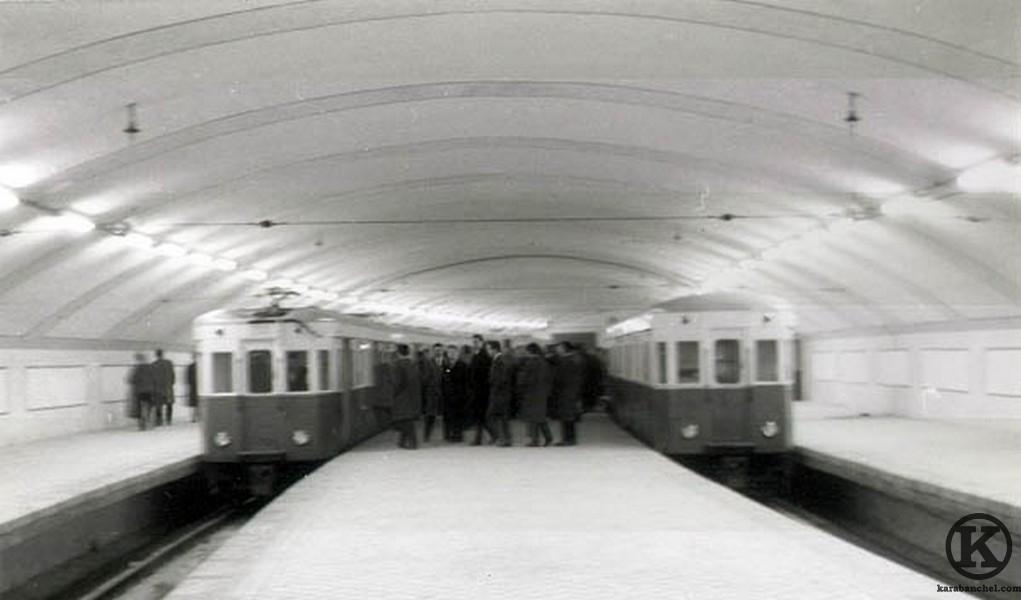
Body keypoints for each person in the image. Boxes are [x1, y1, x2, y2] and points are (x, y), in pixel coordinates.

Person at [516, 342, 553, 446]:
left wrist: (520, 385)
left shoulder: (530, 363)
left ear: (529, 351)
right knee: (539, 416)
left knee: (532, 418)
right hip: (542, 392)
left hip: (531, 392)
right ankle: (548, 436)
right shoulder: (544, 362)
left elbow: (525, 379)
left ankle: (535, 440)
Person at [550, 341, 584, 445]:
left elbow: (561, 378)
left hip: (566, 392)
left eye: (559, 348)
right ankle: (570, 439)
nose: (557, 350)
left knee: (566, 416)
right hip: (570, 392)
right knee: (568, 417)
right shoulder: (574, 359)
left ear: (564, 349)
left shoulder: (567, 361)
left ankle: (567, 439)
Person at [467, 334, 496, 445]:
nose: (474, 344)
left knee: (481, 415)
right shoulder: (476, 355)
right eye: (473, 342)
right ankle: (486, 436)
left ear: (481, 342)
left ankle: (486, 437)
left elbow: (485, 373)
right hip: (476, 390)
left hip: (482, 390)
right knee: (479, 415)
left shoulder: (484, 356)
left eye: (476, 342)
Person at [392, 344, 422, 449]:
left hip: (402, 396)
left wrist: (394, 394)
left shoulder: (398, 365)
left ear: (398, 353)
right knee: (406, 419)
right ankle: (402, 442)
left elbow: (397, 383)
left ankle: (413, 443)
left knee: (406, 420)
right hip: (413, 395)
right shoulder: (413, 364)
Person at [487, 340, 514, 447]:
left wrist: (494, 385)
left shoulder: (500, 361)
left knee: (491, 417)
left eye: (488, 349)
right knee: (502, 418)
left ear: (494, 349)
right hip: (501, 393)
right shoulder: (498, 360)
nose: (488, 351)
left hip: (500, 394)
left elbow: (502, 378)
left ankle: (500, 438)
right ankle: (505, 439)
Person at [440, 345, 468, 442]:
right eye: (449, 353)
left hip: (459, 396)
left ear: (457, 354)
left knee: (458, 416)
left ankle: (458, 435)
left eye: (453, 352)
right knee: (448, 416)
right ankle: (448, 434)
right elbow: (443, 379)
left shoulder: (463, 365)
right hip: (447, 395)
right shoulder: (445, 365)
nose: (451, 355)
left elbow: (466, 381)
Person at [419, 345, 443, 442]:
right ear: (433, 351)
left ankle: (450, 435)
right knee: (430, 415)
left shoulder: (446, 362)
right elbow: (425, 378)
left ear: (442, 351)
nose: (438, 352)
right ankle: (426, 436)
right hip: (432, 393)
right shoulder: (428, 363)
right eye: (436, 350)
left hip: (444, 392)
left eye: (439, 350)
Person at [128, 352, 156, 430]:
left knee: (139, 408)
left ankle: (142, 425)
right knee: (149, 406)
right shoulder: (150, 368)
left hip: (140, 391)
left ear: (138, 359)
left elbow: (132, 380)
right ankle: (150, 422)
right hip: (150, 390)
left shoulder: (137, 368)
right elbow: (154, 379)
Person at [151, 349, 175, 426]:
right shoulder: (169, 363)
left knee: (158, 405)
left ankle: (159, 421)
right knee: (169, 404)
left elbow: (152, 378)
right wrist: (171, 383)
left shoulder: (153, 365)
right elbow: (173, 376)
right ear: (163, 354)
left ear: (156, 355)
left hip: (158, 388)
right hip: (168, 387)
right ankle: (169, 420)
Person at [185, 355, 198, 422]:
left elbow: (188, 378)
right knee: (194, 403)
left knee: (193, 404)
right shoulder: (200, 366)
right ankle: (194, 417)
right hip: (195, 387)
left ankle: (193, 417)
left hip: (193, 387)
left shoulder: (190, 367)